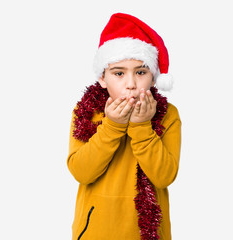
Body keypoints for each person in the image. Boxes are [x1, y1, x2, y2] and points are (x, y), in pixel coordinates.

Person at [67, 12, 181, 240]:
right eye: (118, 73)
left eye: (140, 72)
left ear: (154, 76)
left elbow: (164, 176)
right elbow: (81, 172)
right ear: (102, 78)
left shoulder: (168, 114)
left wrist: (141, 128)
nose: (130, 84)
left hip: (146, 234)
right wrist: (112, 126)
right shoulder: (87, 112)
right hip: (95, 231)